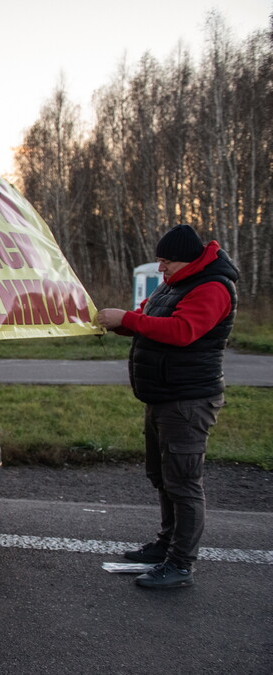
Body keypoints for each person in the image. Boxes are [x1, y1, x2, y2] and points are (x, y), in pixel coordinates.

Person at [97, 224, 238, 589]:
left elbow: (182, 331)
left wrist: (127, 319)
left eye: (165, 261)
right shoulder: (175, 284)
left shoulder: (212, 287)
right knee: (163, 478)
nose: (160, 269)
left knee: (184, 484)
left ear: (186, 259)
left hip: (188, 401)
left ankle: (180, 564)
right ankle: (165, 546)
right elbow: (147, 319)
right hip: (162, 397)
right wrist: (112, 323)